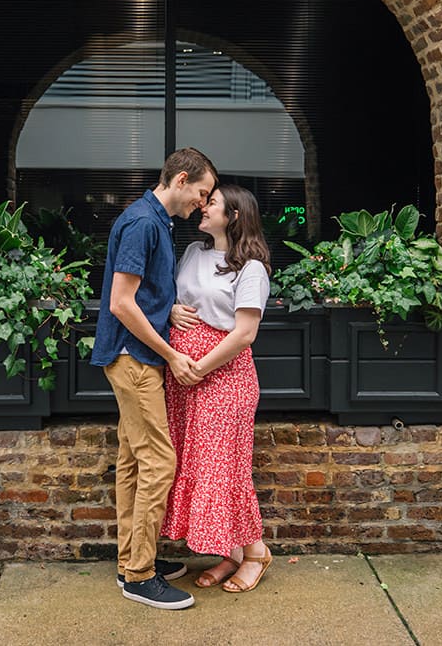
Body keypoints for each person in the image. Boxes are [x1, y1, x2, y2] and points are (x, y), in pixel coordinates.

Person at [92, 147, 218, 610]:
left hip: (138, 356)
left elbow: (140, 295)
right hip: (135, 360)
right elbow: (121, 302)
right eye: (201, 193)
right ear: (181, 179)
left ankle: (132, 560)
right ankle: (140, 576)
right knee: (160, 462)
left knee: (131, 461)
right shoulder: (145, 222)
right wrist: (170, 352)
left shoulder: (154, 220)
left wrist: (168, 311)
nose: (202, 205)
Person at [162, 183, 273, 593]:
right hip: (185, 377)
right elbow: (174, 298)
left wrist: (200, 368)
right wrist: (172, 312)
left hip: (224, 378)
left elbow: (244, 334)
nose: (202, 209)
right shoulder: (193, 252)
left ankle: (257, 552)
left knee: (224, 469)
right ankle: (231, 554)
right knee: (196, 465)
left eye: (212, 204)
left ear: (235, 216)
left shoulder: (252, 269)